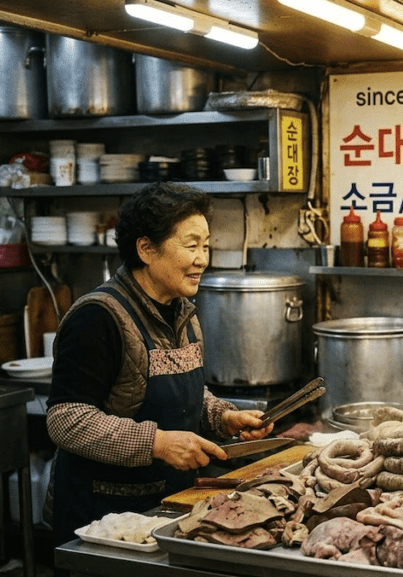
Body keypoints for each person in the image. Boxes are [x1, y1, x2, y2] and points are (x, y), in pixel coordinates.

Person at [46, 182, 274, 549]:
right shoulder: (97, 317)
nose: (202, 259)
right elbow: (66, 420)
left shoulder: (182, 311)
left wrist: (222, 416)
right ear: (146, 249)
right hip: (102, 521)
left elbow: (180, 392)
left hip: (167, 508)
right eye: (191, 245)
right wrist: (159, 443)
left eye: (206, 245)